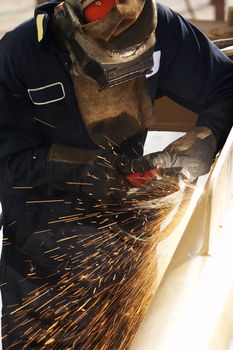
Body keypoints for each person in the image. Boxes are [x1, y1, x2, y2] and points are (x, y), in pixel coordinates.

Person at [0, 0, 232, 348]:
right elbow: (5, 160)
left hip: (126, 243)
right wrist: (77, 168)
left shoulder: (162, 28)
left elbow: (225, 86)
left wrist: (205, 139)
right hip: (41, 264)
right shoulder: (23, 52)